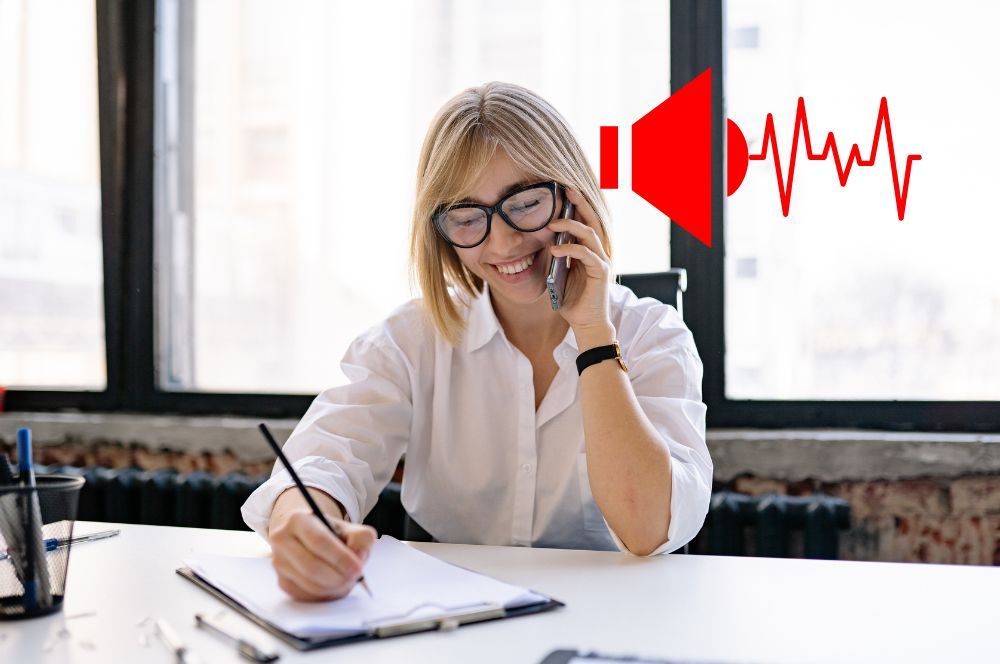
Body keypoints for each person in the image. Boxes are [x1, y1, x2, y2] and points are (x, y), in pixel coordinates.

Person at [242, 82, 712, 602]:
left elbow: (649, 528)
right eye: (468, 219)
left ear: (573, 197)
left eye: (527, 203)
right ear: (441, 230)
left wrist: (594, 335)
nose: (504, 242)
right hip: (452, 618)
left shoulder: (653, 335)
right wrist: (305, 525)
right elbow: (325, 460)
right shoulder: (410, 340)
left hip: (608, 618)